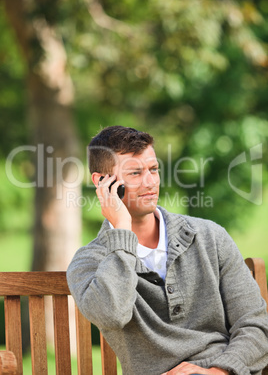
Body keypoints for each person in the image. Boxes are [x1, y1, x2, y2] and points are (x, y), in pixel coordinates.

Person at [67, 126, 268, 375]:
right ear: (103, 182)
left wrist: (218, 372)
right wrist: (121, 230)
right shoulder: (89, 262)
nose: (150, 182)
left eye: (153, 169)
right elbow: (112, 316)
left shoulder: (210, 237)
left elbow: (255, 325)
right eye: (135, 173)